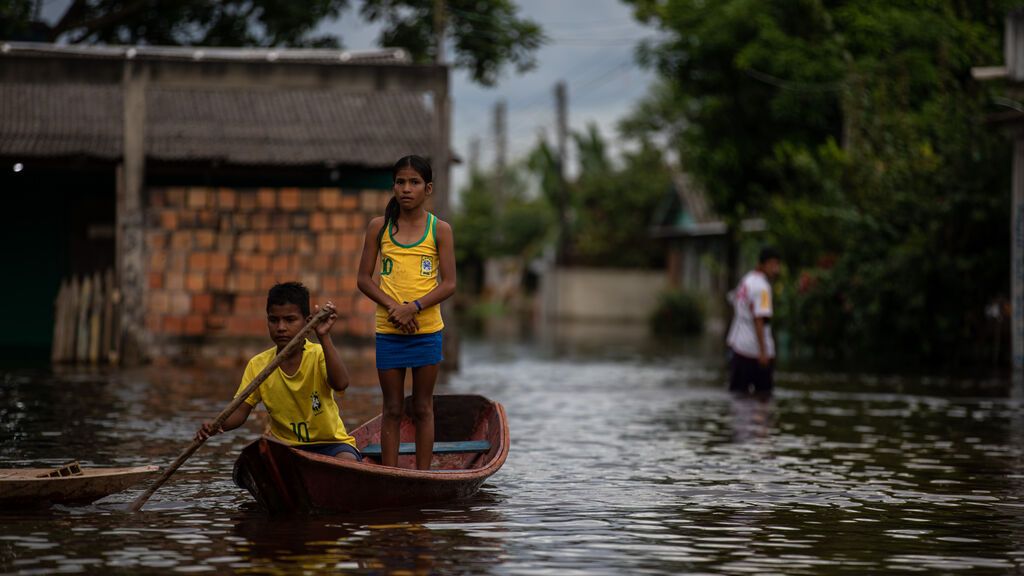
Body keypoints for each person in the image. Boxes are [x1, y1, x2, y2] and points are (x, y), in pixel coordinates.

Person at [356, 155, 456, 470]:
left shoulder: (440, 230)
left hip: (426, 331)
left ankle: (422, 476)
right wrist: (394, 308)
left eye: (414, 183)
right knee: (393, 408)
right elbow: (363, 279)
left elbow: (450, 283)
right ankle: (389, 474)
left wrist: (413, 307)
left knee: (423, 408)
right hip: (389, 331)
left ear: (428, 189)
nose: (406, 189)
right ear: (393, 187)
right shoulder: (379, 227)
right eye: (400, 182)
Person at [195, 282, 361, 461]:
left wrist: (324, 336)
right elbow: (240, 411)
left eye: (290, 320)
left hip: (329, 444)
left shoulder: (319, 355)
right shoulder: (258, 365)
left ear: (307, 323)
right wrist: (217, 424)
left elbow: (341, 383)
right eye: (274, 320)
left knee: (347, 460)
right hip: (286, 447)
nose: (281, 327)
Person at [726, 247, 782, 399]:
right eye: (773, 264)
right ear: (762, 264)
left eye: (777, 264)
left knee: (738, 396)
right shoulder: (763, 288)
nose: (776, 269)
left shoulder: (747, 280)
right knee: (764, 398)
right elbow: (759, 318)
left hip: (739, 347)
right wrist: (763, 352)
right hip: (755, 351)